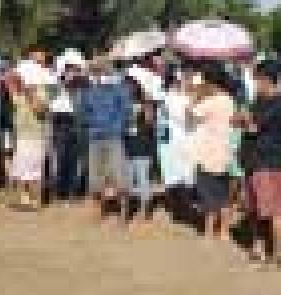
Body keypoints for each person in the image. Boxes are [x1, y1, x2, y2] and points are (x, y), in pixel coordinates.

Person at [238, 60, 281, 268]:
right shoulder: (257, 101)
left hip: (269, 162)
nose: (255, 82)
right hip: (253, 160)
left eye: (258, 78)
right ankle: (258, 247)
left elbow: (253, 127)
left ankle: (278, 253)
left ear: (266, 79)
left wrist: (244, 119)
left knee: (273, 211)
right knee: (254, 209)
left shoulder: (278, 104)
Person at [189, 63, 238, 243]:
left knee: (208, 195)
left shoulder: (209, 102)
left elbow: (190, 116)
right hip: (225, 151)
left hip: (208, 151)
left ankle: (209, 232)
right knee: (223, 194)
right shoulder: (229, 100)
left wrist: (195, 98)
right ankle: (224, 231)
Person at [79, 58, 131, 224]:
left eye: (100, 70)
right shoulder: (88, 92)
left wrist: (119, 126)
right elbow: (82, 113)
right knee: (96, 178)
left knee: (119, 176)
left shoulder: (119, 90)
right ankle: (100, 212)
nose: (98, 74)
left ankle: (123, 215)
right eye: (95, 71)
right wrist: (90, 124)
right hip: (95, 137)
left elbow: (126, 111)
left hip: (113, 136)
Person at [157, 67, 196, 223]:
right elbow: (188, 121)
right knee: (183, 177)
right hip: (180, 141)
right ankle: (182, 211)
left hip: (167, 142)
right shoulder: (179, 99)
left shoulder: (164, 98)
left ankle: (176, 209)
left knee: (172, 177)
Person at [8, 74, 50, 210]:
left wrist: (29, 94)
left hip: (35, 137)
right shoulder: (17, 97)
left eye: (12, 84)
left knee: (35, 170)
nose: (10, 88)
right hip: (22, 137)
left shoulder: (40, 92)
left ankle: (36, 200)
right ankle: (25, 199)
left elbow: (41, 111)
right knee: (22, 170)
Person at [122, 75, 158, 227]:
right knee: (128, 180)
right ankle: (127, 212)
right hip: (128, 145)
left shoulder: (146, 104)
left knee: (143, 179)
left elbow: (151, 123)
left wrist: (146, 106)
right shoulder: (122, 105)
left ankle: (143, 212)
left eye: (128, 87)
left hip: (143, 146)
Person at [50, 65, 84, 203]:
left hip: (75, 125)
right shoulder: (56, 89)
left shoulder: (79, 90)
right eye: (69, 73)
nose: (71, 76)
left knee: (74, 160)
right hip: (60, 124)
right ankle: (60, 192)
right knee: (61, 158)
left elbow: (80, 108)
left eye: (74, 73)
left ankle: (72, 191)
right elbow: (50, 107)